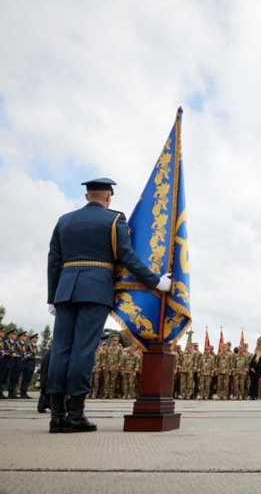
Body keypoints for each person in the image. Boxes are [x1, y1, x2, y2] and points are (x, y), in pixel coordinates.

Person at [46, 177, 171, 433]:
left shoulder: (64, 220)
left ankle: (56, 416)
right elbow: (127, 257)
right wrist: (154, 282)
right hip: (95, 289)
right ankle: (75, 415)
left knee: (61, 350)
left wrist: (52, 296)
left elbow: (54, 261)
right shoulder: (114, 220)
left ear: (86, 196)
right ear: (108, 197)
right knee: (83, 350)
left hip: (65, 290)